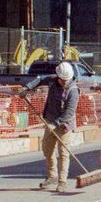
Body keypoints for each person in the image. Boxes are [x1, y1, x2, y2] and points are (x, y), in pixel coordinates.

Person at [40, 61, 80, 191]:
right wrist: (27, 88)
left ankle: (62, 181)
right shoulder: (53, 81)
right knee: (47, 149)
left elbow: (69, 112)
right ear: (58, 77)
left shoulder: (73, 91)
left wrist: (55, 124)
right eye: (62, 80)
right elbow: (39, 80)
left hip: (64, 125)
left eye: (66, 80)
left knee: (63, 153)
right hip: (50, 120)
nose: (64, 82)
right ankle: (52, 175)